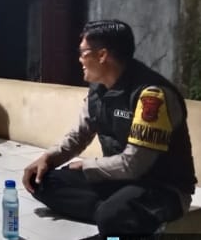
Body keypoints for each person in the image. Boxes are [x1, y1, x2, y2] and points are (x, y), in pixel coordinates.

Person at [22, 20, 197, 237]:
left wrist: (87, 165)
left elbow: (134, 165)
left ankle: (117, 217)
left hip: (161, 186)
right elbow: (79, 134)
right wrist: (48, 158)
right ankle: (120, 217)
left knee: (112, 215)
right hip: (120, 178)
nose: (79, 59)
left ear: (102, 55)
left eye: (83, 53)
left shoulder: (152, 95)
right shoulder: (99, 89)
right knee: (41, 181)